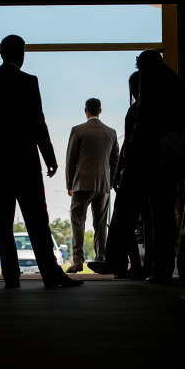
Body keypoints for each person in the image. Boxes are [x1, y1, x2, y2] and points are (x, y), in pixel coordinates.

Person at [0, 34, 82, 289]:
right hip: (25, 164)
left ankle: (11, 278)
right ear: (21, 54)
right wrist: (49, 157)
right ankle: (50, 274)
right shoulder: (28, 82)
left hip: (0, 165)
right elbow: (38, 122)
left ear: (1, 53)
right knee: (37, 220)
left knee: (3, 223)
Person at [122, 50, 185, 284]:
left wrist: (132, 149)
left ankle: (160, 269)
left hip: (154, 155)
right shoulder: (173, 79)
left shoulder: (150, 77)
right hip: (170, 153)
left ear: (144, 65)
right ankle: (164, 266)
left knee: (158, 213)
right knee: (163, 214)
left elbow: (144, 118)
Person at [88, 72, 151, 279]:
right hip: (147, 169)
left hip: (135, 170)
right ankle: (132, 264)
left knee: (122, 215)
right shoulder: (151, 108)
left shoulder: (135, 110)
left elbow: (128, 145)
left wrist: (118, 174)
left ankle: (117, 262)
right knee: (135, 219)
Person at [64, 98, 119, 272]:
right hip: (103, 185)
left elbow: (70, 160)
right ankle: (101, 258)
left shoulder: (78, 130)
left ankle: (78, 260)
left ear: (85, 111)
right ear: (100, 111)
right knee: (100, 223)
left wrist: (69, 183)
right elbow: (115, 159)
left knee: (78, 221)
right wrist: (111, 180)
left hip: (82, 183)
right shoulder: (111, 132)